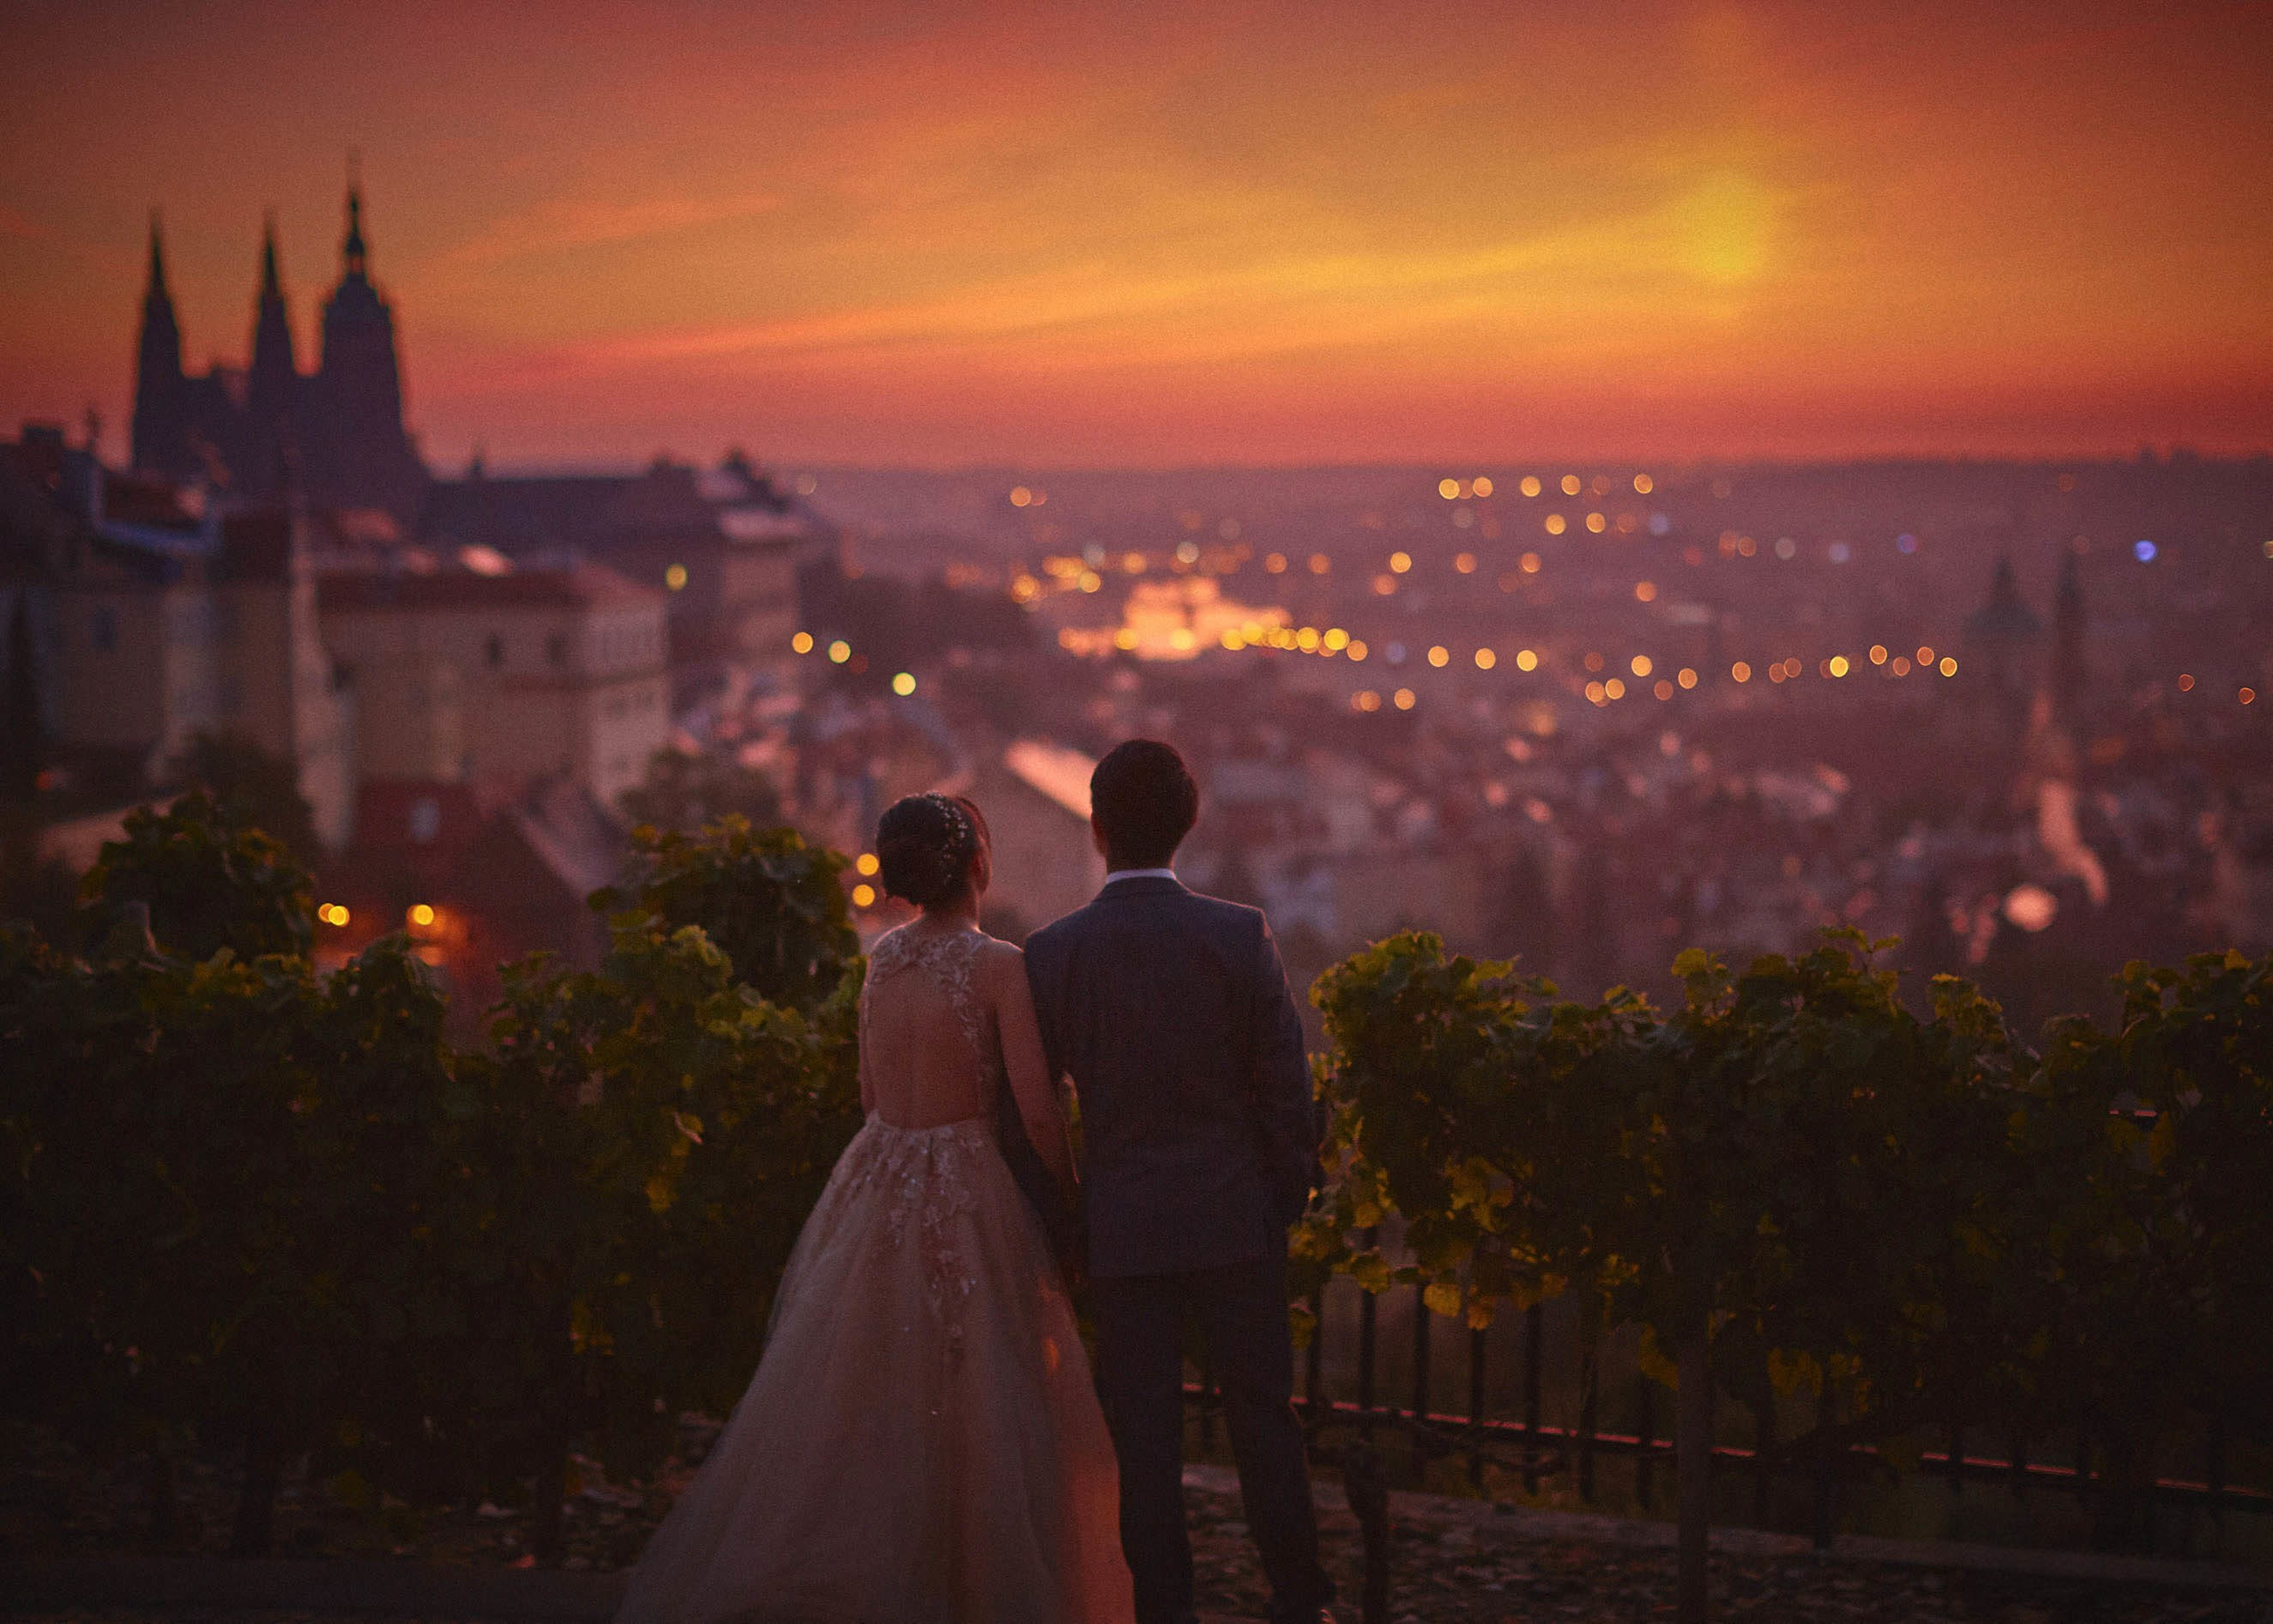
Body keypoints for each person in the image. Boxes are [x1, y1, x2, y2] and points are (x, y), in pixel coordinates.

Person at [615, 793, 1134, 1624]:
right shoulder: (1000, 964)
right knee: (979, 1389)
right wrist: (1068, 1200)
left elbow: (868, 1090)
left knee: (862, 1387)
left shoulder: (883, 960)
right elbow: (1038, 1110)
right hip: (966, 1178)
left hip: (880, 1170)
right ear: (976, 862)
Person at [1025, 740, 1334, 1624]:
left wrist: (1071, 1222)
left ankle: (1164, 1609)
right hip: (1235, 1218)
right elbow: (1285, 1085)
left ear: (1096, 829)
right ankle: (1298, 1599)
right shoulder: (1238, 936)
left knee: (1145, 1444)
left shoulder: (1055, 953)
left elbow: (1033, 1110)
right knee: (1266, 1426)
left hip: (1124, 1229)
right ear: (1188, 823)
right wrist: (1284, 1195)